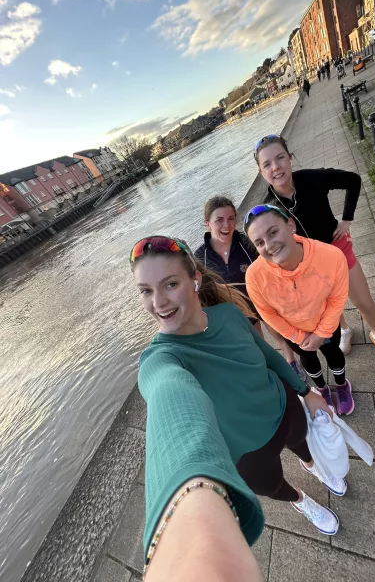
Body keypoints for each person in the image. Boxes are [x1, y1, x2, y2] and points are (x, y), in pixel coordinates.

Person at [132, 235, 346, 579]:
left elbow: (268, 358)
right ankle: (301, 500)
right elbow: (166, 391)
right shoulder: (163, 357)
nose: (158, 302)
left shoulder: (229, 314)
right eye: (145, 290)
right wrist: (183, 500)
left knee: (302, 445)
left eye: (170, 284)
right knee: (275, 486)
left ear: (195, 280)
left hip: (284, 409)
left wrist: (306, 392)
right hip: (246, 453)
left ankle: (311, 464)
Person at [253, 134, 375, 363]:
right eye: (267, 164)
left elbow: (353, 180)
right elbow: (265, 243)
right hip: (307, 262)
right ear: (262, 172)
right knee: (327, 305)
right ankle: (344, 330)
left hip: (337, 249)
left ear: (290, 158)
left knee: (363, 300)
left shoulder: (313, 178)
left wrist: (347, 219)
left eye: (280, 158)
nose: (276, 167)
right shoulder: (269, 208)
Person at [244, 204, 354, 415]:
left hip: (327, 324)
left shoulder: (331, 256)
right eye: (259, 242)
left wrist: (322, 333)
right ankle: (321, 390)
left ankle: (342, 385)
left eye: (273, 232)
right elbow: (267, 313)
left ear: (291, 225)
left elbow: (337, 299)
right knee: (309, 362)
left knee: (334, 356)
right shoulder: (254, 276)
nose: (269, 245)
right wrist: (297, 335)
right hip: (295, 334)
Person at [195, 195, 304, 376]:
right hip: (233, 310)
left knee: (278, 332)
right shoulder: (200, 256)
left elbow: (272, 260)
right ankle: (266, 369)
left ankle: (291, 361)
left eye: (231, 219)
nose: (227, 226)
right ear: (208, 223)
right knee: (255, 343)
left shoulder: (247, 241)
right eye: (219, 220)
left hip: (262, 299)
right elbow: (200, 288)